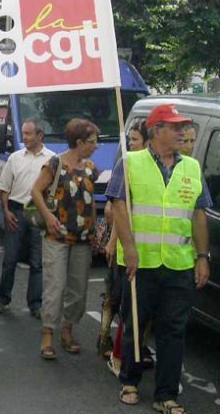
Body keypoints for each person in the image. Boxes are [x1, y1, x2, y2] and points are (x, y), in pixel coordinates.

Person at [107, 104, 212, 413]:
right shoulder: (130, 163)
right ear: (156, 130)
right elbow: (119, 204)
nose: (182, 132)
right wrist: (130, 247)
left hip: (179, 264)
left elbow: (198, 213)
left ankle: (166, 395)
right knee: (135, 324)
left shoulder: (191, 167)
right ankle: (129, 381)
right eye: (174, 126)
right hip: (142, 263)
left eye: (182, 127)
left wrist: (202, 256)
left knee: (174, 330)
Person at [31, 118, 100, 360]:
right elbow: (36, 191)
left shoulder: (91, 166)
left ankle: (68, 329)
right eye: (92, 141)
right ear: (79, 142)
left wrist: (96, 229)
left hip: (83, 237)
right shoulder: (55, 163)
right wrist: (48, 216)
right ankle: (48, 333)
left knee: (79, 289)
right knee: (55, 286)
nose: (96, 145)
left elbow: (90, 200)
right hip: (57, 235)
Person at [0, 119, 55, 319]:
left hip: (39, 214)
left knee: (37, 262)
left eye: (28, 134)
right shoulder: (15, 158)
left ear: (40, 136)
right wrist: (6, 210)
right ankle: (2, 299)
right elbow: (4, 187)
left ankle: (35, 304)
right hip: (16, 213)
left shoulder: (53, 159)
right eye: (23, 133)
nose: (24, 138)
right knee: (9, 259)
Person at [99, 120, 148, 370]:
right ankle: (110, 346)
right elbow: (117, 207)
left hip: (151, 254)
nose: (130, 144)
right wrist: (114, 240)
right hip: (124, 250)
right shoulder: (127, 165)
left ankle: (137, 350)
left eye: (135, 140)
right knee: (120, 301)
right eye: (130, 140)